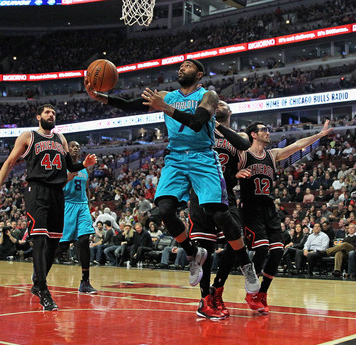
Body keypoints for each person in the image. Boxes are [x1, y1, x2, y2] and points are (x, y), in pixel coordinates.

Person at [87, 59, 259, 293]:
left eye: (188, 66)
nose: (181, 68)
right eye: (181, 65)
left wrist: (164, 107)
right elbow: (130, 105)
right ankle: (193, 253)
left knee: (219, 214)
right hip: (176, 158)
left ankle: (246, 264)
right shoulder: (168, 96)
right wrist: (101, 97)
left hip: (202, 157)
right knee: (165, 210)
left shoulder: (208, 96)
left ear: (199, 74)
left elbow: (197, 123)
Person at [0, 104, 97, 311]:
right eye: (47, 112)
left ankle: (38, 282)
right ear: (39, 116)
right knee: (39, 239)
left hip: (57, 193)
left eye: (54, 113)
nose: (51, 115)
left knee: (54, 244)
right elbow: (10, 162)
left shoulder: (61, 139)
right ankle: (44, 291)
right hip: (36, 191)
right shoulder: (28, 136)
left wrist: (84, 164)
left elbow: (70, 167)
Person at [237, 120, 332, 313]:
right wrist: (235, 173)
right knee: (262, 247)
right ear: (253, 134)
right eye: (264, 129)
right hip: (251, 207)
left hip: (269, 206)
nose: (268, 132)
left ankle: (262, 293)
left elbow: (297, 145)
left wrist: (319, 136)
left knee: (278, 251)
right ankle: (251, 289)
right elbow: (225, 169)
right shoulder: (243, 156)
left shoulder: (272, 155)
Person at [190, 100, 251, 319]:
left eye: (222, 103)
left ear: (229, 112)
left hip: (226, 195)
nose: (218, 104)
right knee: (205, 246)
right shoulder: (201, 131)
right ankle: (205, 298)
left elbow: (245, 150)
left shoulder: (238, 137)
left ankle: (218, 287)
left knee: (237, 240)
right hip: (201, 193)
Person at [54, 141, 97, 294]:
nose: (76, 148)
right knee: (62, 245)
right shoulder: (61, 166)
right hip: (67, 205)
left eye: (78, 146)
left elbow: (86, 188)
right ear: (67, 150)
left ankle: (85, 281)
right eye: (73, 146)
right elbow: (55, 188)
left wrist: (89, 204)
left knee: (84, 240)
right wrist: (67, 179)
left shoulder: (84, 167)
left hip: (82, 205)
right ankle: (40, 270)